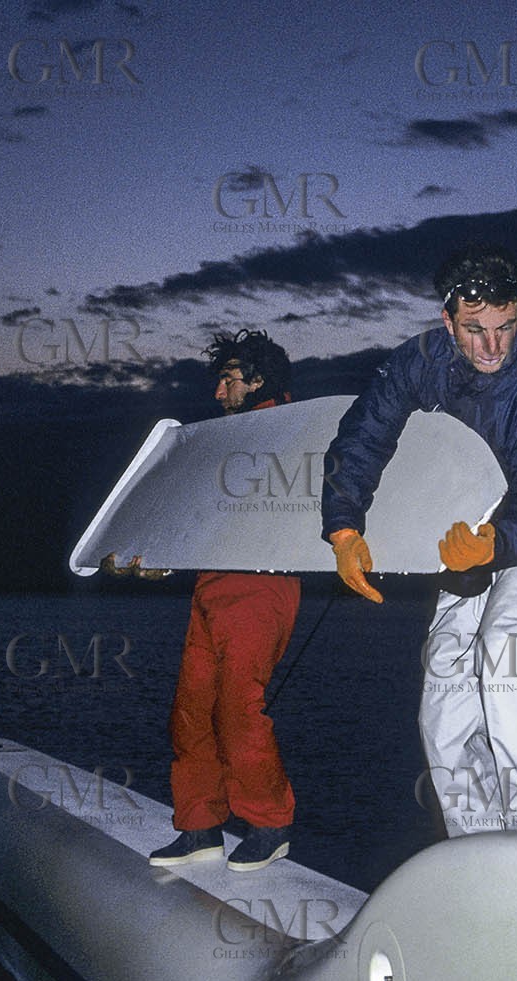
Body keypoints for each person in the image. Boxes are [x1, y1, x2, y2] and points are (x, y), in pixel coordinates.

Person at [321, 246, 517, 836]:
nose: (493, 346)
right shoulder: (417, 362)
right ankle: (475, 844)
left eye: (506, 328)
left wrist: (496, 543)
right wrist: (344, 528)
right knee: (446, 675)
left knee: (507, 649)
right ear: (448, 322)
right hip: (464, 541)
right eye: (476, 330)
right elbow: (364, 435)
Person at [108, 330, 301, 871]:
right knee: (190, 712)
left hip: (263, 585)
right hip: (213, 586)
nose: (219, 393)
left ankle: (269, 824)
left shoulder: (294, 434)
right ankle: (200, 828)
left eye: (228, 380)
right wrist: (158, 556)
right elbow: (206, 519)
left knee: (239, 708)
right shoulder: (225, 441)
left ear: (258, 381)